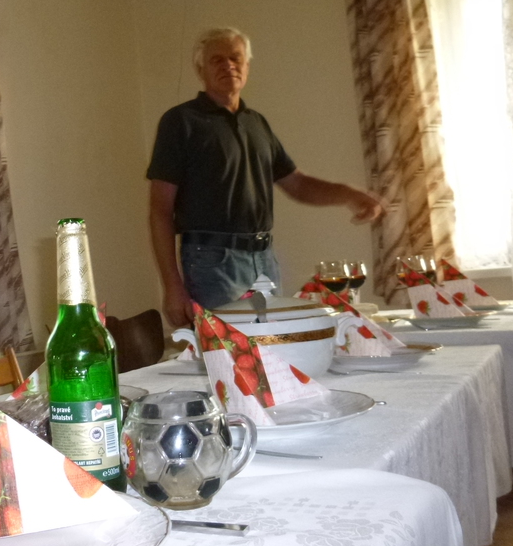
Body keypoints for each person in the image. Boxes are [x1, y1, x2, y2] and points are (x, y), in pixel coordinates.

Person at [147, 27, 384, 327]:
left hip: (265, 259)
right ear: (200, 69)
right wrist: (172, 286)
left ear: (246, 66)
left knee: (274, 346)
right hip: (211, 262)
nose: (228, 65)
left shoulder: (256, 123)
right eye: (217, 60)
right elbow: (160, 210)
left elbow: (296, 184)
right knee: (230, 350)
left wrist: (349, 194)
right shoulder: (181, 121)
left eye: (235, 58)